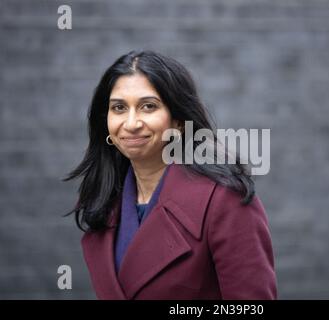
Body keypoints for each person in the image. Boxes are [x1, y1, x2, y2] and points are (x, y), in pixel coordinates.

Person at [64, 50, 277, 300]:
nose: (131, 123)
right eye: (119, 108)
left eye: (148, 106)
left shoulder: (225, 201)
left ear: (176, 121)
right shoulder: (103, 203)